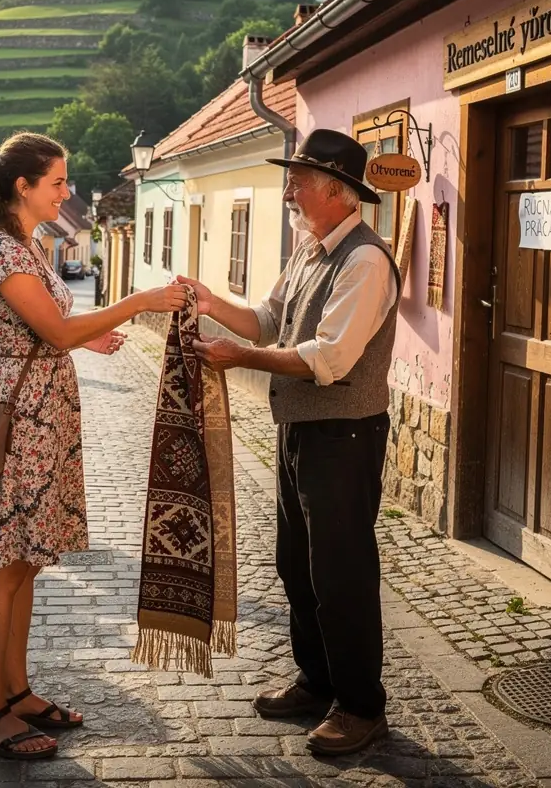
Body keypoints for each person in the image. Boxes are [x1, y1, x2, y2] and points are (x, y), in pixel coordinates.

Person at [0, 132, 186, 761]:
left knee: (25, 562)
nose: (66, 191)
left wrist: (84, 340)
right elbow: (52, 326)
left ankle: (18, 692)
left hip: (44, 415)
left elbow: (44, 331)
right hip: (20, 422)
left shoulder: (28, 245)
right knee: (4, 568)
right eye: (57, 182)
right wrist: (137, 303)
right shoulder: (2, 251)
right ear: (21, 187)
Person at [182, 129, 401, 757]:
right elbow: (269, 320)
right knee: (296, 562)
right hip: (303, 429)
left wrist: (238, 358)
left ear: (335, 190)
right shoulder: (311, 249)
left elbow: (328, 358)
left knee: (342, 572)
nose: (288, 190)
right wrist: (208, 300)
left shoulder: (364, 259)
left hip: (345, 432)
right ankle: (316, 679)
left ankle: (361, 706)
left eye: (298, 181)